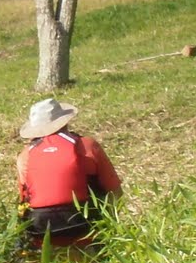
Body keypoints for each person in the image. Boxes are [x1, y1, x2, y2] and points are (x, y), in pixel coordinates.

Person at [15, 97, 122, 249]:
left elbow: (24, 201)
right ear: (64, 122)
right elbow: (115, 192)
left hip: (40, 230)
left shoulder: (24, 156)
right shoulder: (87, 145)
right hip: (83, 225)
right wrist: (110, 223)